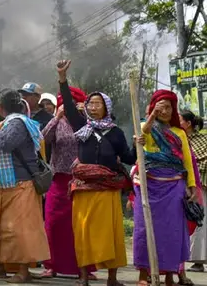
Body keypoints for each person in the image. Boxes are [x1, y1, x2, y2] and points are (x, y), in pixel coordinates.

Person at [56, 60, 134, 286]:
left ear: (106, 107)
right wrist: (62, 78)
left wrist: (141, 144)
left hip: (108, 189)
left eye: (97, 104)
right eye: (90, 103)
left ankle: (112, 278)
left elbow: (128, 157)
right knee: (83, 232)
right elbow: (69, 106)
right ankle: (83, 276)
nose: (92, 107)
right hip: (83, 189)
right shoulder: (82, 127)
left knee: (111, 233)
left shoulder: (116, 133)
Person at [0, 88, 50, 284]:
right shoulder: (12, 122)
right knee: (3, 230)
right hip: (7, 184)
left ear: (0, 107)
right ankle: (0, 267)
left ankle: (23, 270)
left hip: (20, 184)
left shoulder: (17, 123)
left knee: (21, 231)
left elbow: (7, 143)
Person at [133, 88, 198, 286]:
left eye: (169, 107)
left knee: (172, 231)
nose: (165, 111)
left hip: (174, 186)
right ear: (153, 107)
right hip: (148, 185)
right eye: (161, 107)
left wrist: (191, 185)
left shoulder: (179, 133)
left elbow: (187, 161)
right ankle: (143, 273)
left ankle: (170, 274)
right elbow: (143, 134)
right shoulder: (144, 126)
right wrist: (152, 115)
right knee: (144, 229)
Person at [39, 85, 95, 280]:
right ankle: (51, 265)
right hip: (59, 179)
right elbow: (43, 138)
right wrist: (56, 117)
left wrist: (86, 114)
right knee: (53, 224)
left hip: (82, 179)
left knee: (81, 225)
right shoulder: (58, 121)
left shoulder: (86, 122)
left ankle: (84, 267)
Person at [185, 111, 207, 272]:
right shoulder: (179, 138)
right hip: (184, 185)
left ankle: (198, 260)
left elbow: (198, 162)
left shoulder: (200, 140)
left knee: (199, 220)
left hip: (200, 186)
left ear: (188, 124)